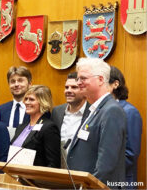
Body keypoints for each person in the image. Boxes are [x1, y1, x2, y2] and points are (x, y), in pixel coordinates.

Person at [67, 58, 126, 188]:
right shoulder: (94, 109)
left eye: (83, 78)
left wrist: (88, 187)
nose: (78, 83)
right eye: (78, 79)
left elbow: (106, 163)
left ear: (100, 79)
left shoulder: (111, 110)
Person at [11, 85, 60, 168]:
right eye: (26, 99)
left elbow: (53, 164)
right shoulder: (21, 127)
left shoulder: (49, 127)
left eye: (31, 99)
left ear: (43, 102)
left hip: (35, 179)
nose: (26, 102)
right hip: (15, 176)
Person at [109, 66, 142, 189]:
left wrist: (104, 171)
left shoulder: (130, 112)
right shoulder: (97, 110)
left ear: (115, 84)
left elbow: (130, 154)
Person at [51, 72, 90, 167]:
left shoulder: (93, 112)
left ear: (84, 91)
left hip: (83, 170)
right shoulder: (57, 112)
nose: (68, 90)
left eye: (74, 87)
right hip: (59, 169)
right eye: (66, 87)